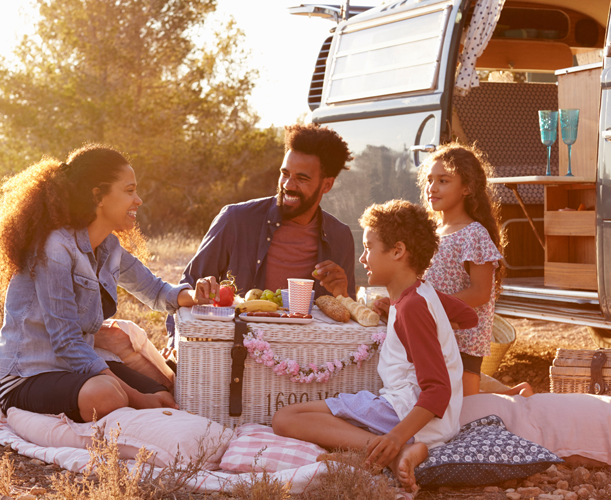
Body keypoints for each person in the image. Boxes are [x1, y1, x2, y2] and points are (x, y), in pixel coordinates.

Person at [0, 144, 217, 423]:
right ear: (98, 196)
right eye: (129, 191)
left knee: (163, 391)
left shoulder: (109, 247)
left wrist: (196, 294)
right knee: (108, 396)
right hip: (27, 375)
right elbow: (66, 341)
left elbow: (156, 291)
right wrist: (139, 399)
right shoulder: (55, 248)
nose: (138, 200)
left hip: (72, 371)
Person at [272, 200, 478, 492]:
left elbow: (438, 390)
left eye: (368, 247)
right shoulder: (420, 294)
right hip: (430, 422)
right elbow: (468, 317)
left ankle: (391, 453)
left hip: (406, 414)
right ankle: (390, 448)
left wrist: (394, 438)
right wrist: (399, 309)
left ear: (397, 251)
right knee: (305, 417)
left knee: (285, 418)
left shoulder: (412, 308)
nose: (362, 258)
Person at [166, 123, 356, 349]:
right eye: (284, 173)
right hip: (238, 353)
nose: (287, 185)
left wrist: (342, 294)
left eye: (302, 179)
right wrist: (173, 345)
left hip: (307, 356)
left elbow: (347, 320)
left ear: (327, 185)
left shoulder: (340, 236)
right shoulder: (235, 219)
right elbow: (185, 289)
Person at [417, 143, 531, 397]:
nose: (432, 188)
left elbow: (480, 293)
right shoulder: (431, 233)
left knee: (467, 408)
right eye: (429, 180)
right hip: (434, 331)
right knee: (440, 399)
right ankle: (513, 393)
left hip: (463, 338)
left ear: (467, 188)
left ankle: (517, 398)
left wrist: (430, 304)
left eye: (443, 181)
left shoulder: (473, 234)